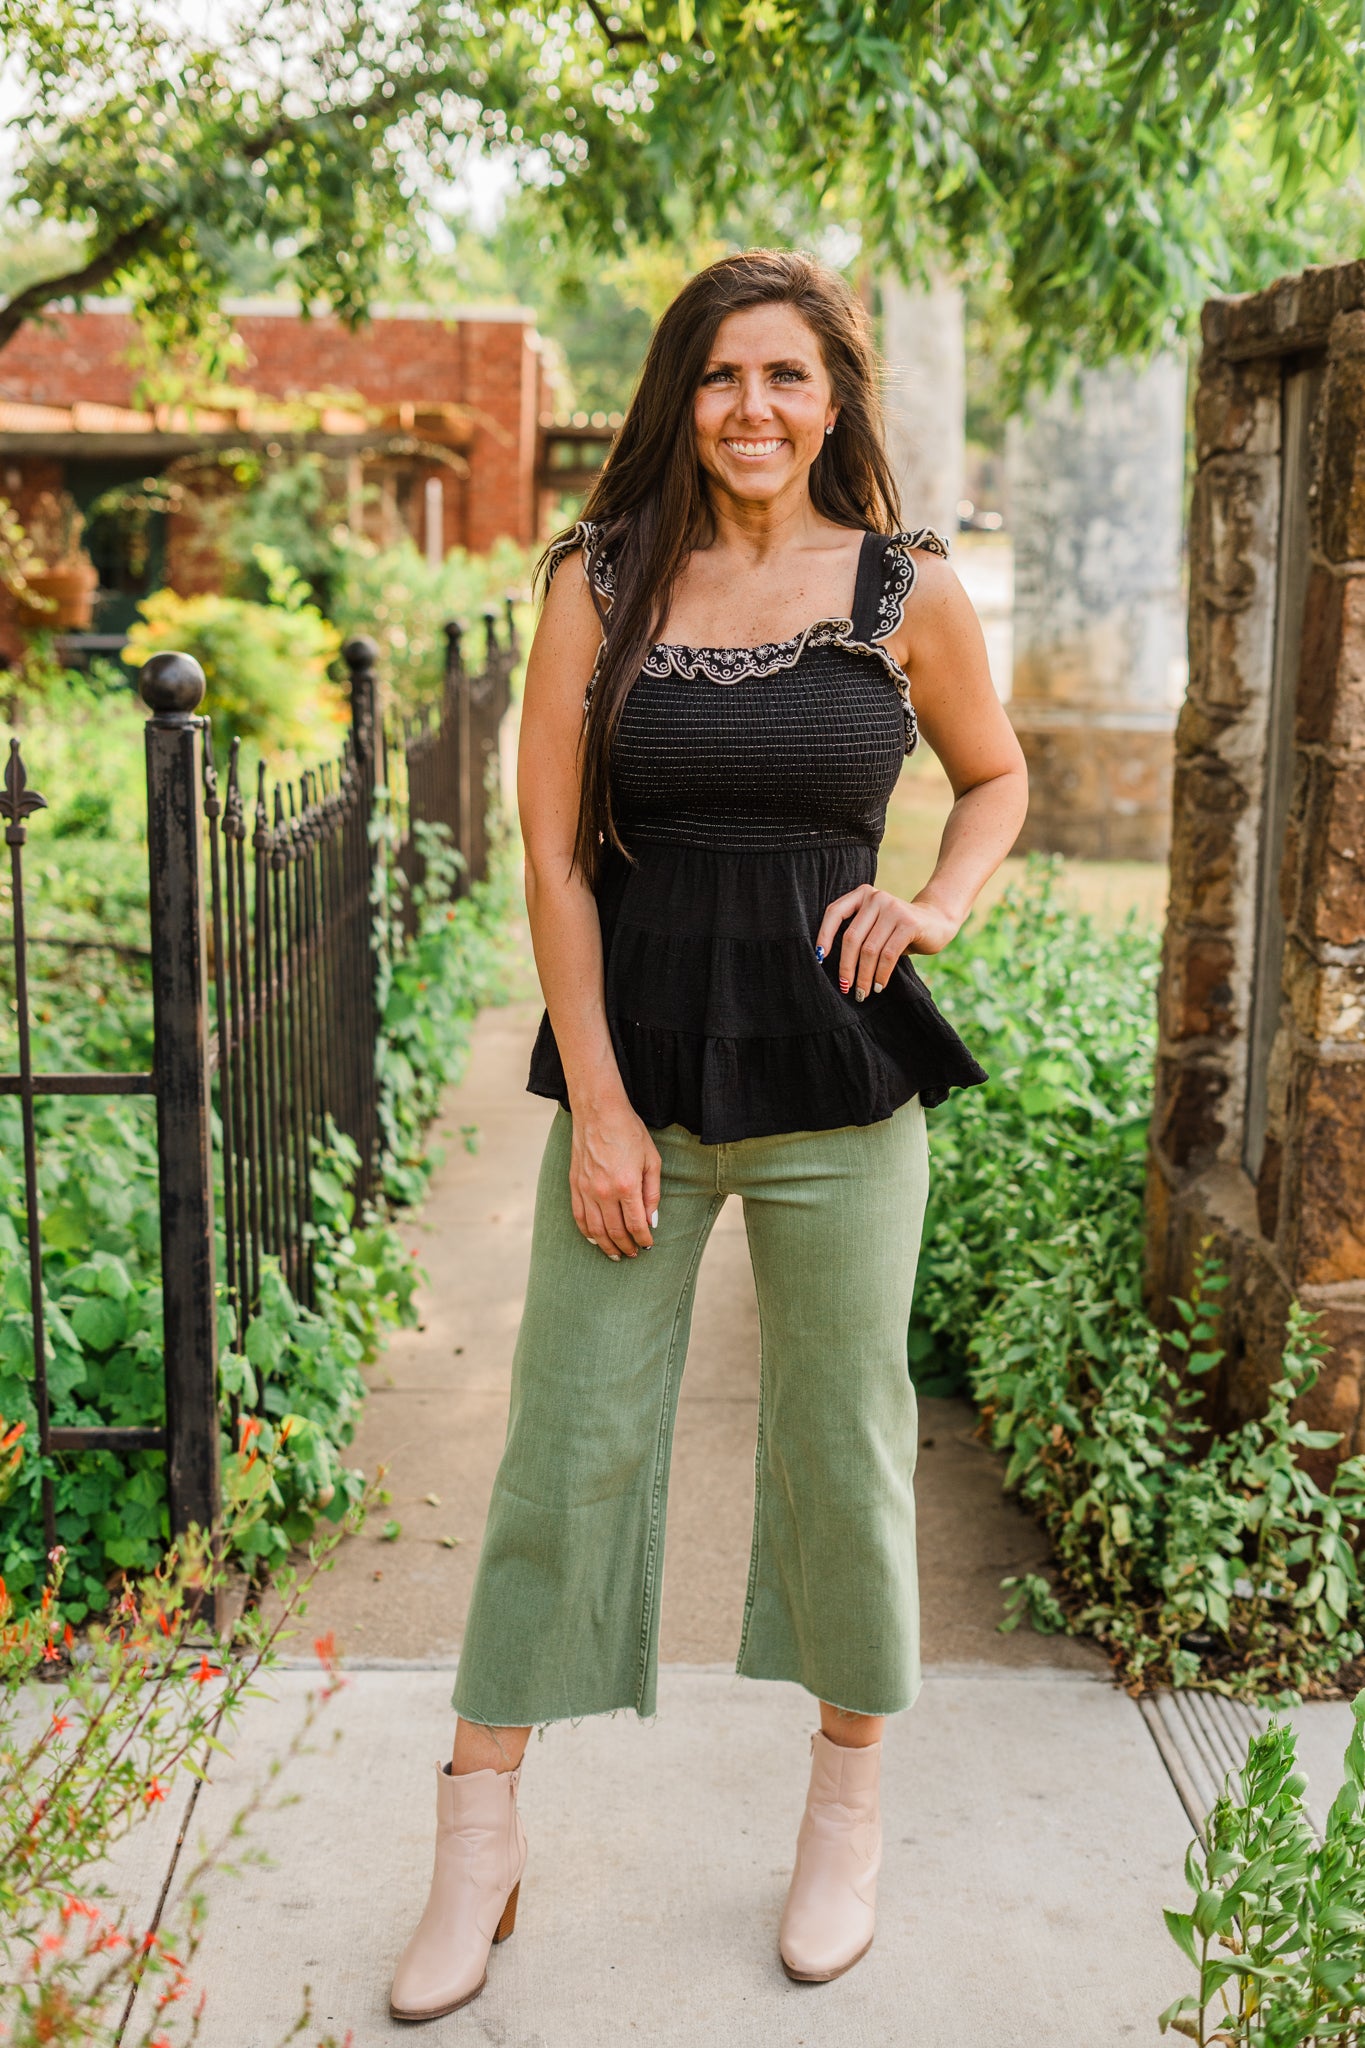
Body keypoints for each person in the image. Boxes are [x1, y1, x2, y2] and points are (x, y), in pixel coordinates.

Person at [389, 248, 1027, 2021]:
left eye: (788, 379)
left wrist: (939, 906)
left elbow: (998, 776)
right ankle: (478, 1835)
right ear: (678, 393)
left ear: (833, 404)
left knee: (844, 1446)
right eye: (722, 377)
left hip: (843, 1080)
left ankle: (841, 1810)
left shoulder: (909, 590)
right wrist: (596, 1100)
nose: (753, 408)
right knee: (565, 1446)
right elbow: (550, 854)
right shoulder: (599, 580)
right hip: (637, 1089)